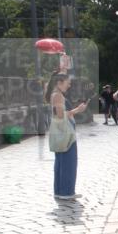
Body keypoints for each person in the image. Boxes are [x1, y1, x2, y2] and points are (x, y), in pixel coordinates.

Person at [47, 72, 88, 200]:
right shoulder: (58, 95)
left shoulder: (54, 94)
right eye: (67, 82)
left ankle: (60, 191)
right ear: (59, 82)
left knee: (60, 162)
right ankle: (66, 192)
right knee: (68, 163)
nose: (69, 85)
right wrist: (78, 110)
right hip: (65, 133)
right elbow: (60, 115)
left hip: (59, 132)